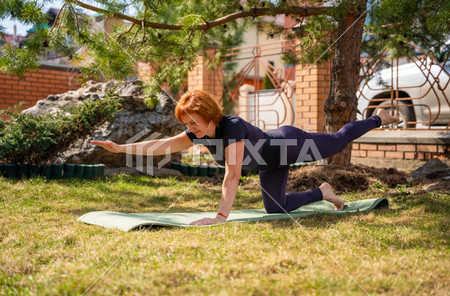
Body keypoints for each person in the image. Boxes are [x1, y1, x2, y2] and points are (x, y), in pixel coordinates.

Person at [91, 90, 399, 226]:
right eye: (186, 123)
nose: (189, 128)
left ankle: (377, 118)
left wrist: (221, 215)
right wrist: (119, 149)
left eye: (193, 121)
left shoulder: (232, 126)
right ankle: (323, 192)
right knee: (275, 208)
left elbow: (232, 174)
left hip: (288, 143)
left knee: (336, 141)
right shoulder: (199, 133)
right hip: (270, 162)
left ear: (209, 115)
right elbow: (161, 145)